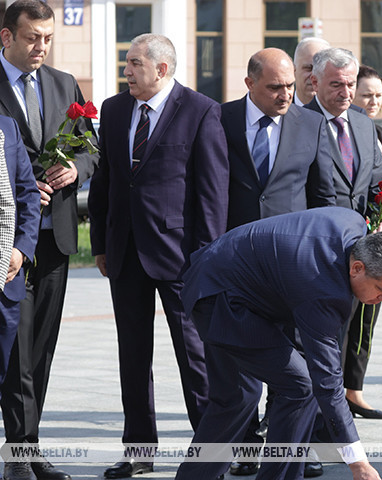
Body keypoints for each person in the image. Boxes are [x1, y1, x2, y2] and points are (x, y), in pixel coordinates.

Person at [174, 207, 382, 480]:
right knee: (301, 386)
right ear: (357, 267)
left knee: (237, 398)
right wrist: (358, 464)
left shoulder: (355, 224)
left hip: (221, 278)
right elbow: (327, 383)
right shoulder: (324, 291)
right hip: (222, 302)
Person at [88, 33, 229, 479]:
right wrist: (100, 244)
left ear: (161, 69)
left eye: (133, 64)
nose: (125, 71)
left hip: (182, 258)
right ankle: (138, 450)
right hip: (125, 252)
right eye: (125, 64)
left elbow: (211, 191)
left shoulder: (201, 110)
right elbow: (106, 182)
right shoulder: (113, 110)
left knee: (195, 355)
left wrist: (207, 256)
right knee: (132, 355)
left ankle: (208, 451)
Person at [221, 47, 336, 477]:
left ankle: (292, 448)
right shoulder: (221, 120)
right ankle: (246, 446)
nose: (285, 95)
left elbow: (322, 195)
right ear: (249, 83)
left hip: (293, 262)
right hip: (237, 262)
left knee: (296, 355)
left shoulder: (311, 123)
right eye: (275, 87)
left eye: (291, 86)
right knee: (244, 356)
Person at [0, 2, 97, 479]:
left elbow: (90, 146)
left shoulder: (63, 84)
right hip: (7, 242)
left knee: (41, 347)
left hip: (56, 238)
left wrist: (77, 169)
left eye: (48, 38)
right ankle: (20, 451)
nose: (41, 46)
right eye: (32, 37)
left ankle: (27, 445)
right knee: (15, 347)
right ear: (6, 37)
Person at [342, 64, 382, 421]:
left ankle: (355, 391)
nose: (373, 101)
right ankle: (333, 395)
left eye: (379, 95)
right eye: (367, 94)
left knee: (366, 323)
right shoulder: (341, 133)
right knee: (342, 322)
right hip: (354, 247)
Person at [0, 116, 41, 480]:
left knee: (17, 372)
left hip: (7, 274)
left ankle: (19, 456)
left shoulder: (8, 128)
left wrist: (22, 249)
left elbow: (27, 193)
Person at [303, 48, 382, 217]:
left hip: (363, 234)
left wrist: (379, 220)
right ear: (315, 82)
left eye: (351, 85)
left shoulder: (365, 124)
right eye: (336, 84)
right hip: (320, 232)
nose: (346, 93)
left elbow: (377, 183)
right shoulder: (299, 124)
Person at [293, 37, 330, 107]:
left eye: (321, 69)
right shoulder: (278, 113)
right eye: (308, 68)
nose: (314, 77)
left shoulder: (345, 116)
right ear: (294, 71)